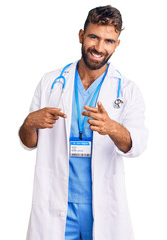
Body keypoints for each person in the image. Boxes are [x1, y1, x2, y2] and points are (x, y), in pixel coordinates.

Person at [19, 5, 148, 240]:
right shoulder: (51, 82)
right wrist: (28, 124)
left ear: (117, 44)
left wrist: (112, 128)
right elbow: (29, 143)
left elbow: (136, 145)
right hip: (56, 204)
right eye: (94, 37)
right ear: (81, 35)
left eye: (109, 41)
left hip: (102, 206)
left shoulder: (128, 90)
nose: (99, 48)